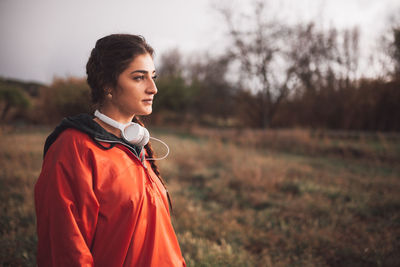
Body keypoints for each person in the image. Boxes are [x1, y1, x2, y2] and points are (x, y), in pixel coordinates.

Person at [34, 34, 186, 266]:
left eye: (153, 77)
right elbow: (66, 251)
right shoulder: (74, 149)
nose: (153, 88)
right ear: (107, 85)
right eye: (139, 77)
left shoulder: (137, 145)